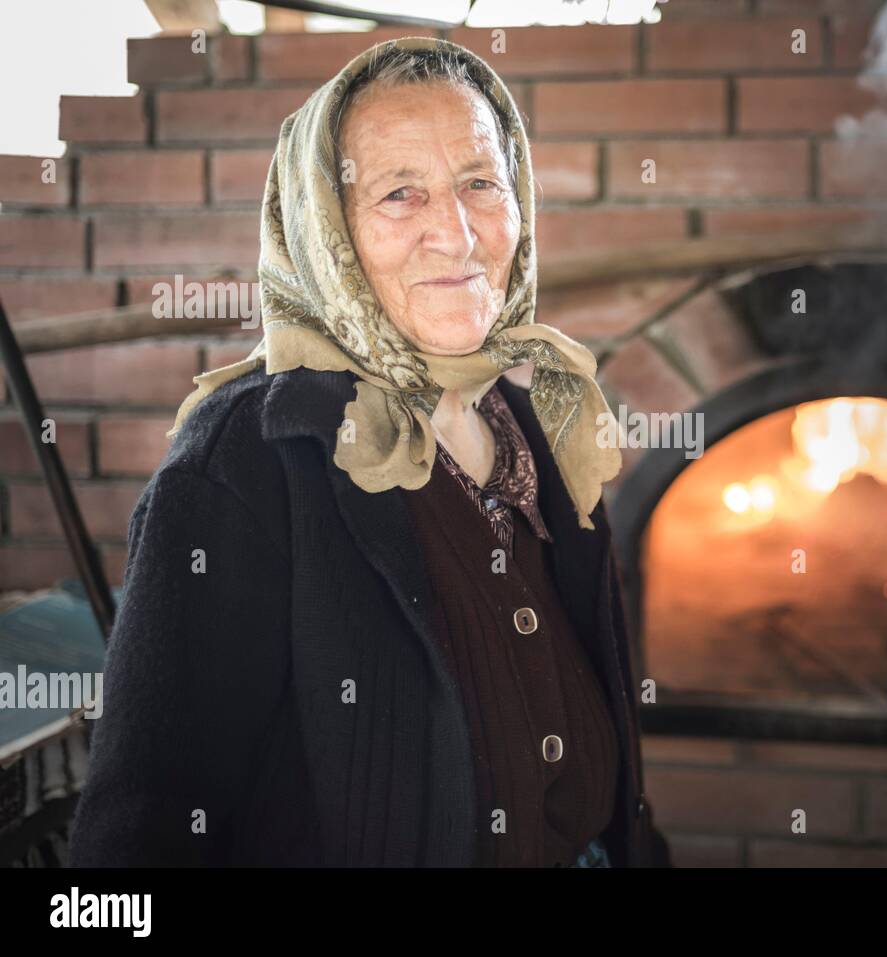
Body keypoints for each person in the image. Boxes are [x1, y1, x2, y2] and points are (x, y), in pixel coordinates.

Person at [68, 35, 671, 868]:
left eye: (479, 183)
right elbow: (136, 842)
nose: (455, 235)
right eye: (399, 194)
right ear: (329, 230)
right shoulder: (246, 461)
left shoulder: (543, 422)